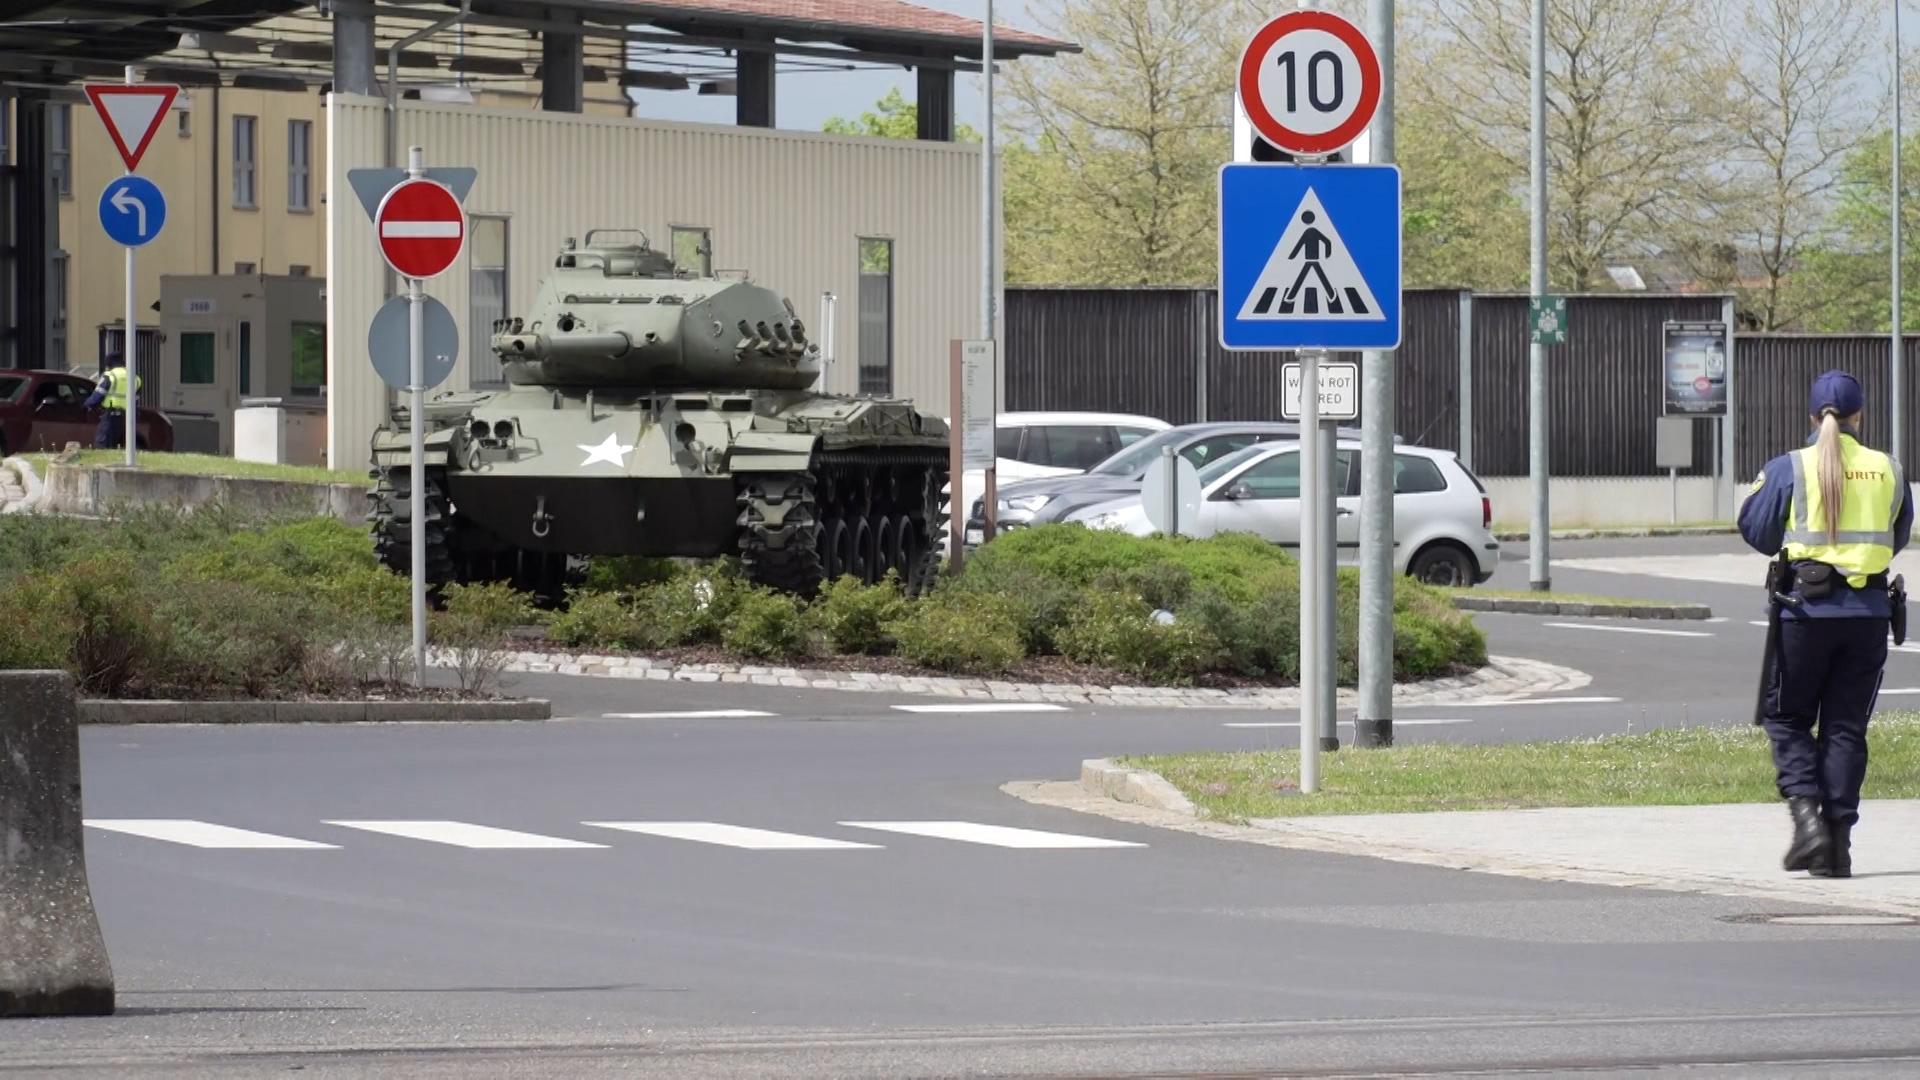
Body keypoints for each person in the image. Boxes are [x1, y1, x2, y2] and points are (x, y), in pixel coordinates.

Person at [1738, 369, 1911, 878]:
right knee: (1845, 728)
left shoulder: (1792, 466)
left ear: (1813, 417)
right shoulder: (1890, 470)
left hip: (1804, 612)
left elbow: (1757, 529)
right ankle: (1837, 847)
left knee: (1787, 718)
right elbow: (1895, 536)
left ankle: (1807, 821)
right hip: (1868, 615)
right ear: (1860, 416)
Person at [82, 363, 141, 449]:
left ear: (110, 364)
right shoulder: (135, 378)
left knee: (102, 443)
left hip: (110, 415)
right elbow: (136, 398)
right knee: (122, 442)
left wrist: (86, 404)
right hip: (128, 416)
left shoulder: (110, 375)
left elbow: (97, 396)